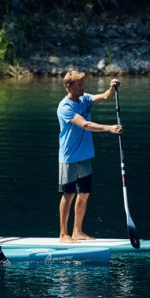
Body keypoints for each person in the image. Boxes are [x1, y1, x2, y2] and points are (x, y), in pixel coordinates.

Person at [57, 70, 123, 243]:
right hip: (69, 157)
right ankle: (63, 234)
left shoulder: (84, 98)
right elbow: (85, 125)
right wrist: (109, 128)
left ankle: (77, 231)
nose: (82, 88)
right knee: (68, 194)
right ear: (68, 86)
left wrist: (112, 88)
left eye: (83, 85)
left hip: (85, 155)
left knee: (84, 193)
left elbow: (105, 97)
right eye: (79, 85)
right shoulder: (65, 107)